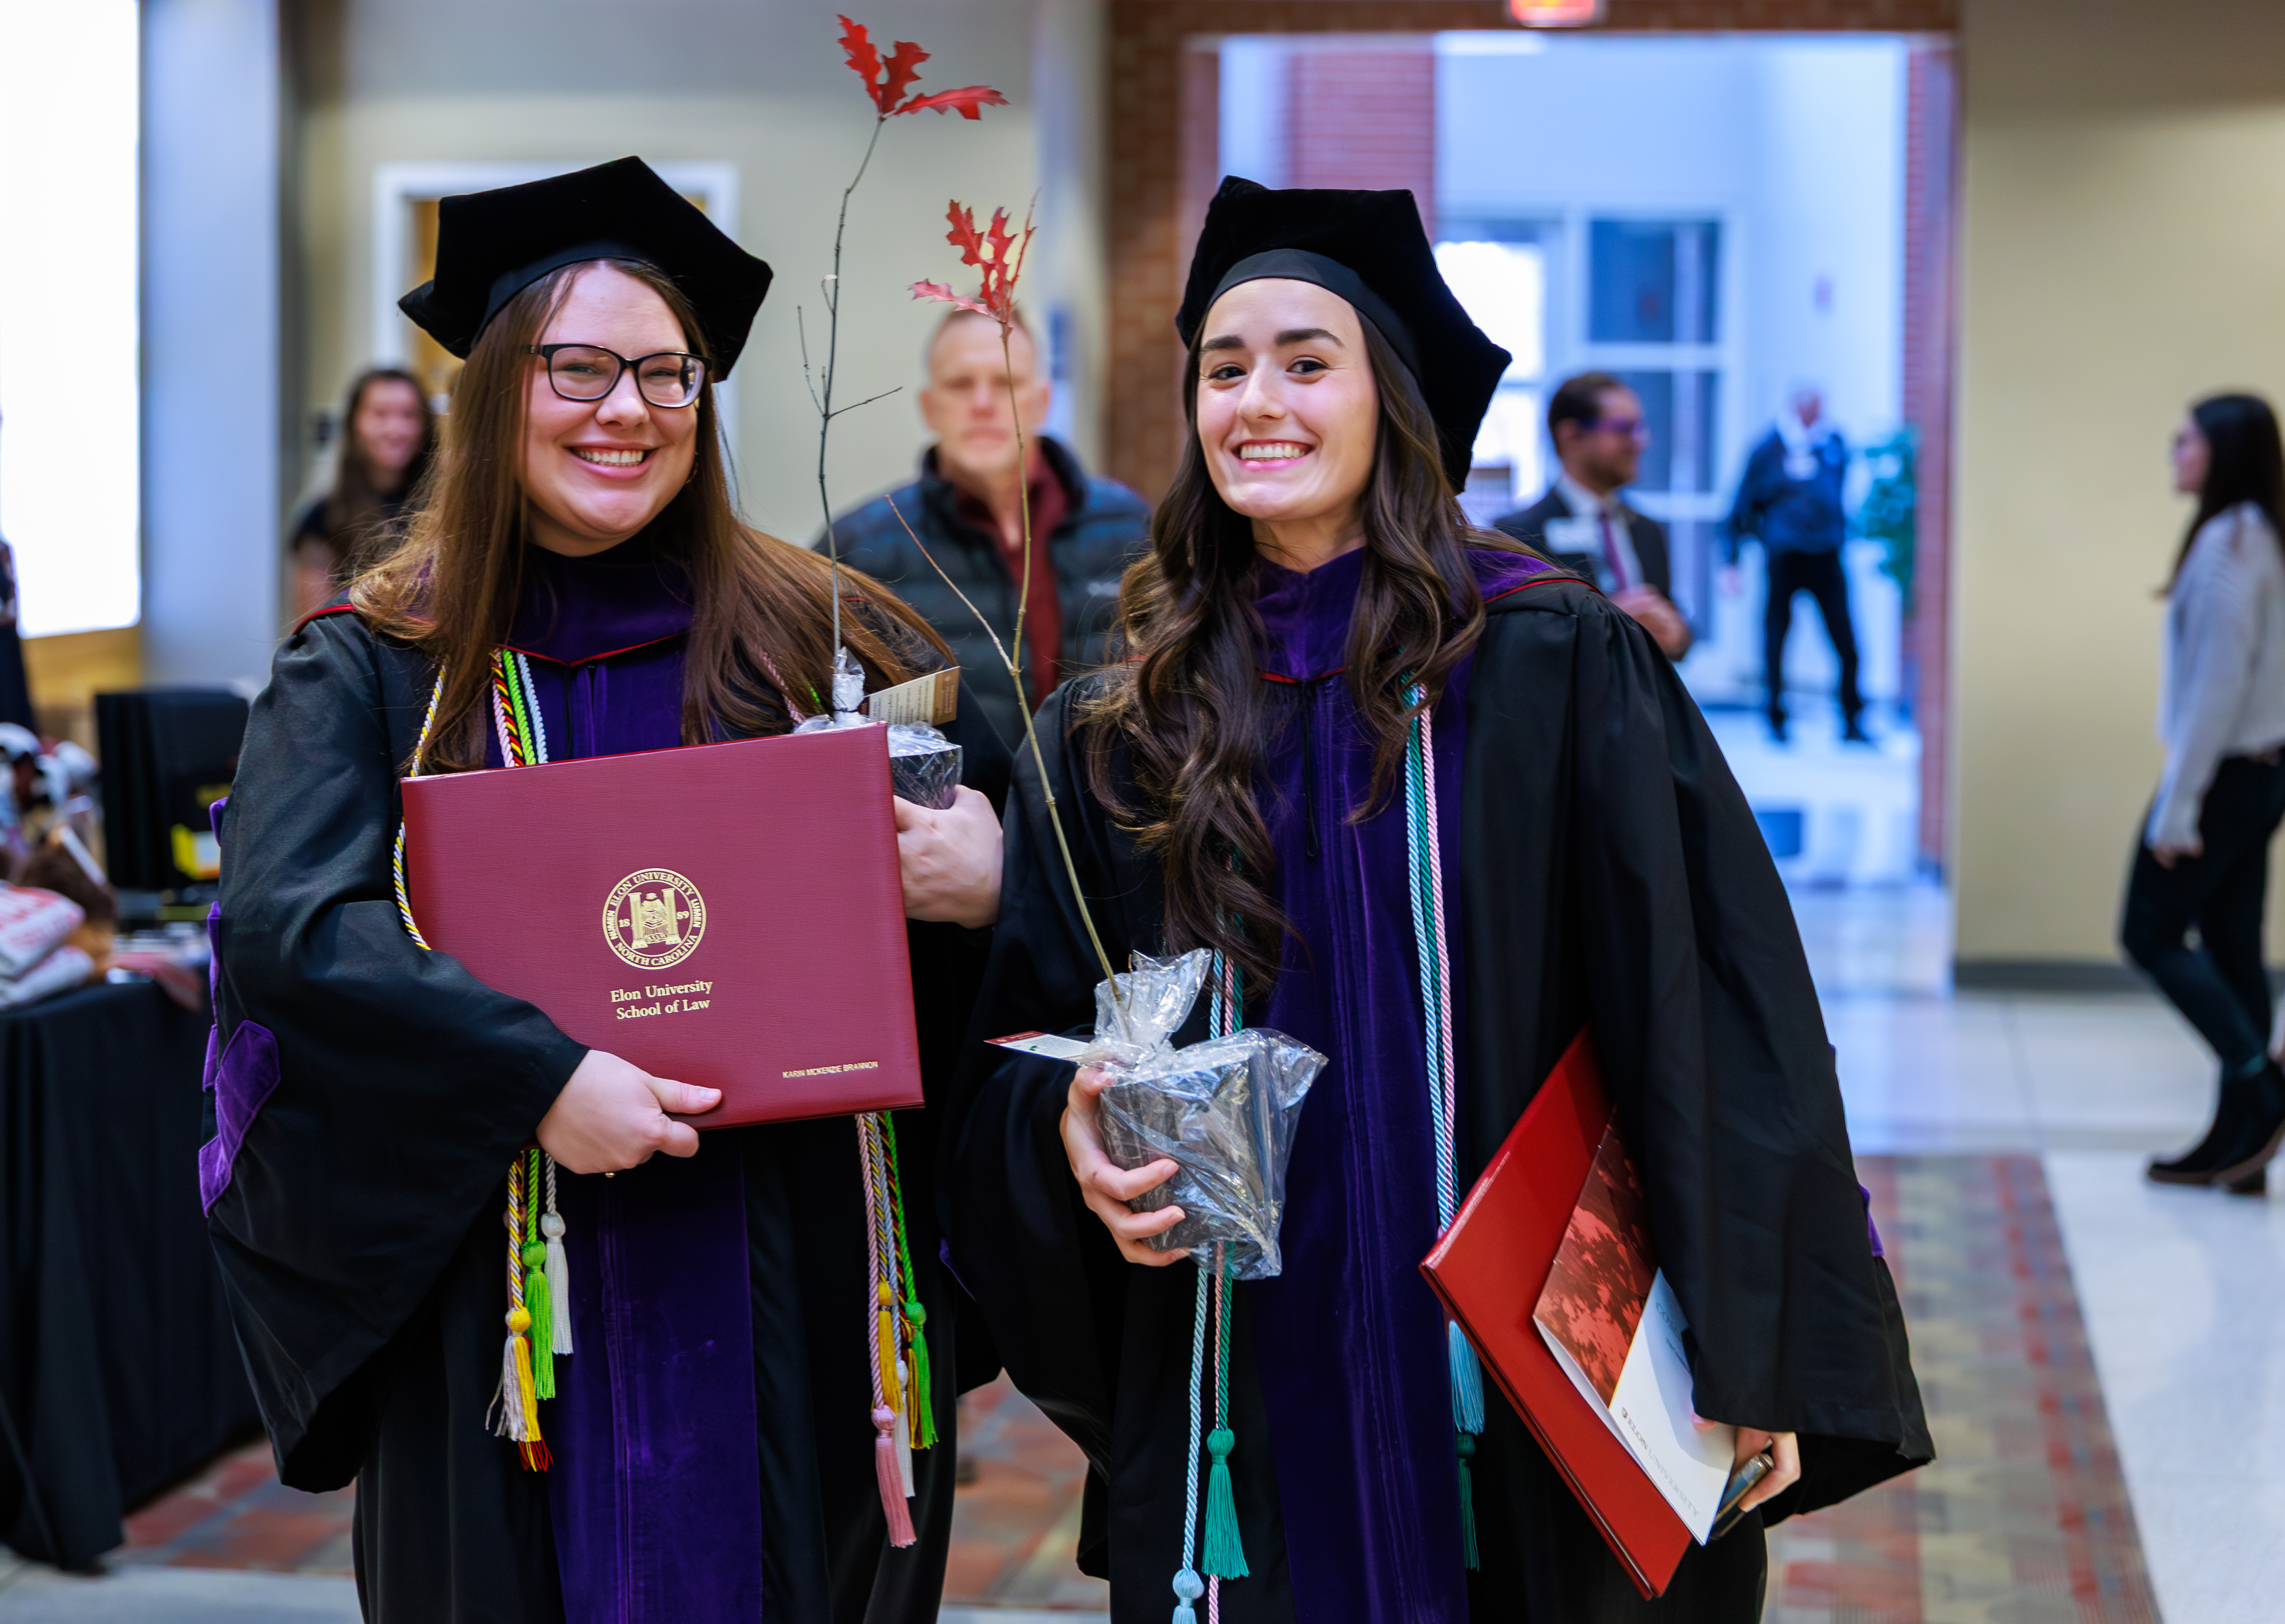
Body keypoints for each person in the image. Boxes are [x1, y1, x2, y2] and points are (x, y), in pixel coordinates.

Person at [944, 178, 1929, 1624]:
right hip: (1240, 1369)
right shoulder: (1123, 721)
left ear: (1388, 398)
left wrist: (1749, 1338)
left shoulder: (1549, 663)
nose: (1255, 400)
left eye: (1304, 360)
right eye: (1224, 369)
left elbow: (1710, 1013)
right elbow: (1016, 1041)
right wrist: (1068, 1123)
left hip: (1521, 1375)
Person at [204, 159, 1009, 1622]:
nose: (624, 408)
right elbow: (290, 933)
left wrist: (990, 877)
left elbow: (1017, 878)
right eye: (576, 365)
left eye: (664, 371)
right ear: (496, 388)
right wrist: (534, 1074)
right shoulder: (379, 664)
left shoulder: (824, 638)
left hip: (801, 1274)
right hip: (511, 1303)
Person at [827, 308, 1151, 747]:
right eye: (961, 384)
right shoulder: (857, 551)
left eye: (1005, 383)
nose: (983, 402)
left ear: (1041, 401)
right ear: (930, 407)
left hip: (1099, 811)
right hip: (945, 811)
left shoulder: (1131, 528)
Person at [2127, 392, 2285, 1195]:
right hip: (2258, 771)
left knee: (2147, 929)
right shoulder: (2255, 536)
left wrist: (2179, 804)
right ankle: (2241, 1142)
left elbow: (2217, 688)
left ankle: (2263, 1086)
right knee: (2229, 944)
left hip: (2222, 772)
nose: (2175, 450)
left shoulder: (2233, 545)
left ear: (2221, 451)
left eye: (2185, 439)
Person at [1493, 372, 1692, 659]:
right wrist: (1608, 625)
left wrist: (1679, 635)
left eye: (1640, 427)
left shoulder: (1647, 530)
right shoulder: (1518, 536)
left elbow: (1674, 617)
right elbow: (1512, 642)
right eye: (1624, 428)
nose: (1641, 441)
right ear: (1572, 436)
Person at [1725, 386, 1862, 742]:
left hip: (1826, 556)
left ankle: (1851, 718)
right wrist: (1732, 559)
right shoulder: (1768, 449)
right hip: (1785, 557)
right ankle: (1775, 718)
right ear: (1797, 409)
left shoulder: (1832, 443)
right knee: (1776, 637)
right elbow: (1741, 504)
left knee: (1845, 640)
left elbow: (1837, 489)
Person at [288, 367, 437, 620]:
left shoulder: (445, 511)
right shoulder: (323, 518)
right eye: (380, 415)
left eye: (409, 415)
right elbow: (314, 624)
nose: (395, 430)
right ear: (354, 423)